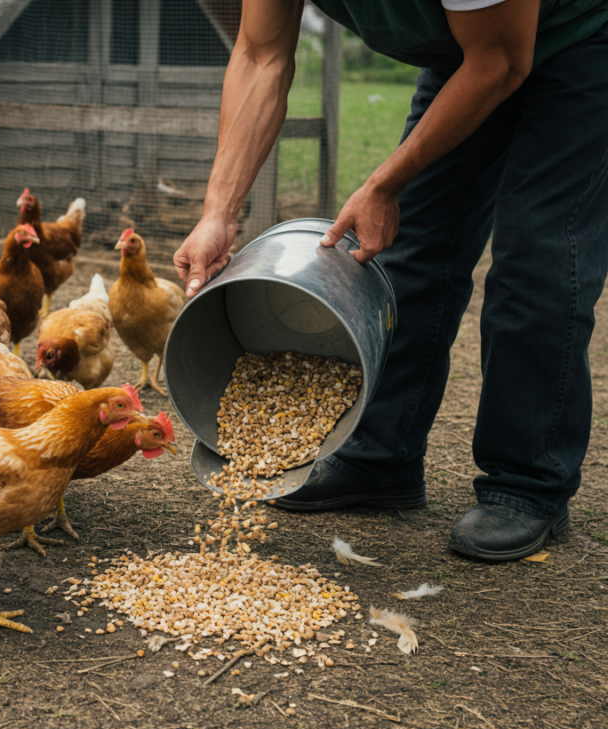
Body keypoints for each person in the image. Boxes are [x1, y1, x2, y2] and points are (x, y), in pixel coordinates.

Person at [174, 0, 608, 561]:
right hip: (467, 54)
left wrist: (384, 183)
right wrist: (218, 213)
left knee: (535, 255)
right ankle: (379, 457)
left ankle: (526, 483)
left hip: (579, 43)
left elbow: (501, 60)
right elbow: (261, 55)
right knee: (412, 248)